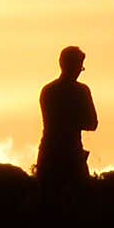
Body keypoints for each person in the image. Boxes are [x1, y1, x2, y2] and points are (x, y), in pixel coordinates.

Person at [36, 46, 98, 187]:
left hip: (48, 154)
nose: (79, 71)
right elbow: (92, 123)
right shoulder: (81, 91)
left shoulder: (48, 91)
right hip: (72, 156)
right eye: (79, 66)